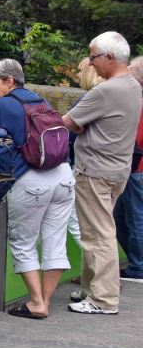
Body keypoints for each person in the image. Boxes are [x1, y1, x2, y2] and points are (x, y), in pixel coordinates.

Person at [0, 60, 74, 319]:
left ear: (9, 81)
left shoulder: (4, 104)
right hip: (63, 176)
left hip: (32, 180)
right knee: (55, 240)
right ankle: (45, 299)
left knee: (24, 241)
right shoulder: (42, 101)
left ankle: (36, 302)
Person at [62, 32, 143, 314]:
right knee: (97, 231)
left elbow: (68, 122)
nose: (91, 63)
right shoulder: (133, 85)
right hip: (117, 169)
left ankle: (103, 299)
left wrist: (79, 126)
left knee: (99, 235)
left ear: (110, 57)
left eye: (94, 57)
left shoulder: (105, 91)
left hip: (96, 170)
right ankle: (91, 289)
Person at [67, 57, 105, 251]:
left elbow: (68, 126)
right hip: (105, 166)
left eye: (80, 71)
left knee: (79, 223)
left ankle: (98, 272)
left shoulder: (90, 98)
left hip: (85, 166)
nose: (77, 75)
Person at [112, 56, 143, 284]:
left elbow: (137, 137)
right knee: (120, 216)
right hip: (132, 167)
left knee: (135, 218)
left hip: (136, 167)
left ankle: (138, 266)